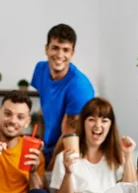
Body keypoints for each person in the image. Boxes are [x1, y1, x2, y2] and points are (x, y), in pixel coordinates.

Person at [31, 23, 95, 168]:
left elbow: (69, 134)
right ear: (46, 49)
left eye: (65, 50)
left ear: (72, 53)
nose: (60, 55)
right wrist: (38, 148)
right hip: (46, 146)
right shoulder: (40, 69)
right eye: (55, 48)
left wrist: (49, 168)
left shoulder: (79, 87)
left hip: (68, 151)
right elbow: (43, 111)